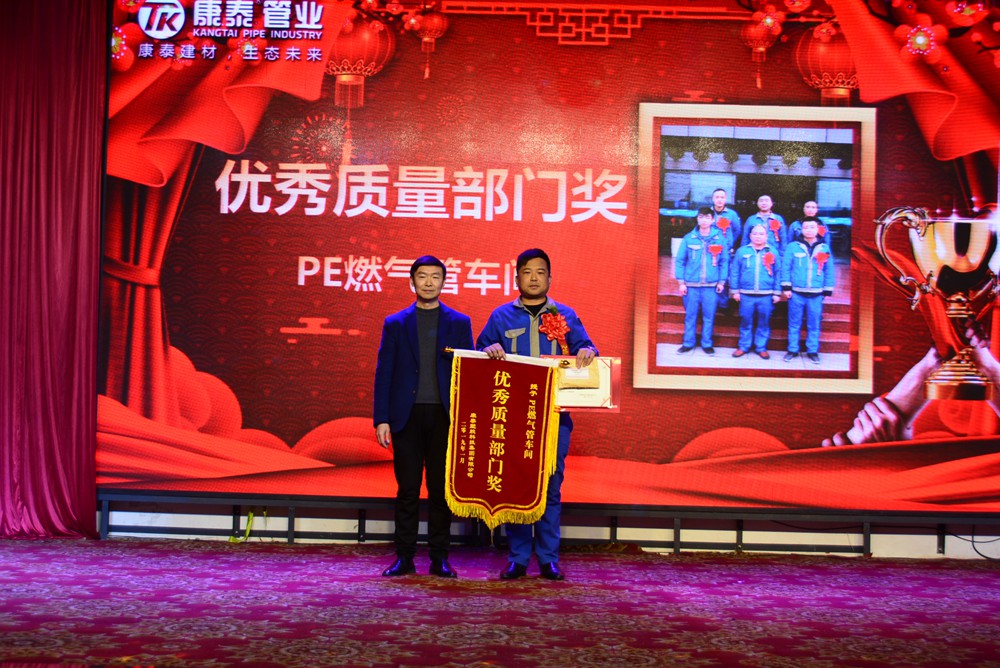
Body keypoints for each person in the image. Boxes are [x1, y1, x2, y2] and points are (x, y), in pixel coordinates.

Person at [477, 248, 598, 581]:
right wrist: (487, 349)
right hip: (513, 416)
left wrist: (587, 351)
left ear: (550, 278)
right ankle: (517, 557)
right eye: (527, 272)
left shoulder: (565, 314)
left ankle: (548, 558)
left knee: (551, 485)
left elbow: (588, 348)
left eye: (540, 272)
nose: (533, 278)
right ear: (517, 278)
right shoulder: (501, 316)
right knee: (516, 485)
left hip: (554, 416)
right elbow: (479, 352)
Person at [373, 256, 474, 578]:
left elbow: (469, 373)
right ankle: (404, 557)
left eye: (435, 277)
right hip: (406, 416)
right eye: (422, 276)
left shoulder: (459, 323)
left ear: (444, 282)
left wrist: (467, 417)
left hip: (445, 416)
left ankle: (439, 558)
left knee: (440, 491)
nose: (429, 282)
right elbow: (384, 372)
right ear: (412, 282)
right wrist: (382, 418)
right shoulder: (396, 323)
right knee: (407, 490)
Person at [675, 207, 729, 355]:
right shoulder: (689, 238)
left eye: (707, 217)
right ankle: (688, 343)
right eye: (701, 217)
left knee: (709, 316)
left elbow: (724, 262)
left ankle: (707, 344)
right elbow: (680, 261)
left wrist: (721, 282)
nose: (704, 220)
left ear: (712, 220)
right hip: (691, 285)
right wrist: (681, 282)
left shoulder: (719, 239)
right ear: (697, 219)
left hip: (711, 286)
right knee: (690, 316)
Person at [781, 218, 835, 364]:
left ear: (817, 229)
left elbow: (829, 269)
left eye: (812, 227)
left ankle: (812, 351)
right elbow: (786, 267)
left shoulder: (824, 248)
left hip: (816, 294)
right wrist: (786, 287)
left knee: (814, 324)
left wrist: (827, 289)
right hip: (796, 293)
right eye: (806, 227)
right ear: (801, 229)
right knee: (794, 323)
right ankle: (792, 349)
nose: (809, 230)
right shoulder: (793, 247)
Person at [729, 223, 781, 359]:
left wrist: (777, 292)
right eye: (755, 233)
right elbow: (735, 272)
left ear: (767, 236)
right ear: (750, 236)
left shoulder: (773, 251)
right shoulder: (742, 251)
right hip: (746, 294)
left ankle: (761, 347)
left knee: (764, 321)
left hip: (766, 294)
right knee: (745, 320)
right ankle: (744, 346)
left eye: (761, 234)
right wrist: (735, 291)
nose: (758, 236)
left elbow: (778, 273)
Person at [710, 188, 742, 253]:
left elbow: (737, 231)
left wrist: (730, 241)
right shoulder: (707, 213)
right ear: (713, 199)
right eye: (717, 197)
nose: (719, 200)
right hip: (710, 247)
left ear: (725, 199)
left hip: (726, 249)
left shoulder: (732, 214)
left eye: (722, 197)